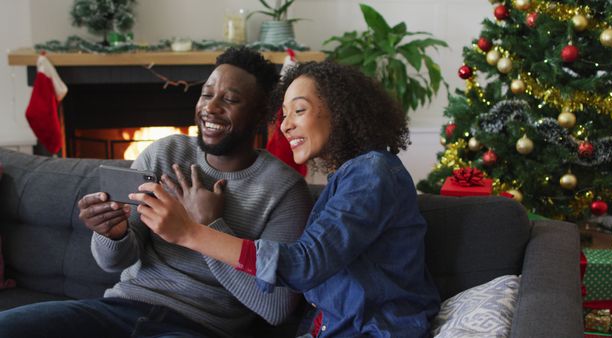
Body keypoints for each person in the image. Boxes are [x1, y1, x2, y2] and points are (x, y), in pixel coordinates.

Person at [0, 47, 313, 338]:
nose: (210, 108)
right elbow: (113, 262)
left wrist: (209, 227)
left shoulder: (284, 190)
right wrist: (113, 233)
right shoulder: (165, 153)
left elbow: (276, 308)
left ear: (262, 115)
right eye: (206, 94)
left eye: (230, 100)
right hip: (119, 309)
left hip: (198, 327)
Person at [129, 61, 441, 337]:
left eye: (300, 110)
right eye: (284, 114)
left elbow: (304, 263)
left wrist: (192, 232)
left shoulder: (373, 174)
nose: (285, 124)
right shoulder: (345, 182)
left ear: (341, 111)